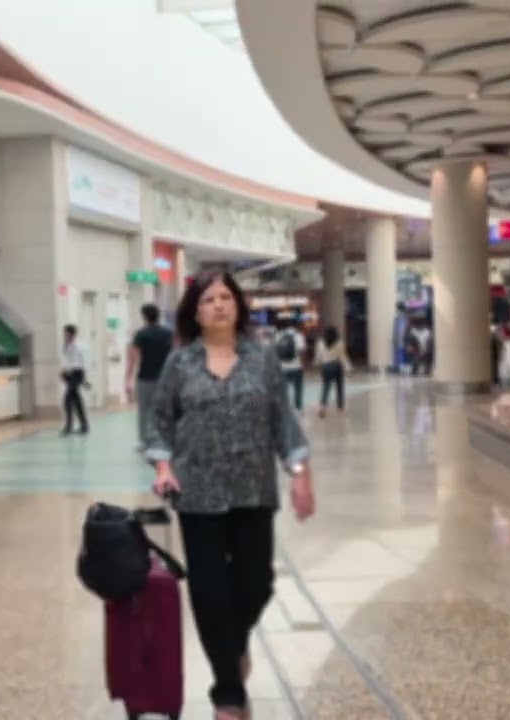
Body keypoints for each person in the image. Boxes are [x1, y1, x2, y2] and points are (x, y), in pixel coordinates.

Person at [145, 270, 315, 720]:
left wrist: (300, 473)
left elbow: (284, 423)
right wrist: (162, 465)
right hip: (196, 492)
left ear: (237, 306)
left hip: (253, 490)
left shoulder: (262, 361)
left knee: (256, 583)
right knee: (208, 590)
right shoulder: (178, 365)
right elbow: (159, 423)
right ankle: (227, 691)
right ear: (195, 313)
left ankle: (232, 645)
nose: (219, 305)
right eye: (209, 300)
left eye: (226, 297)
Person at [125, 303, 174, 448]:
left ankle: (143, 440)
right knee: (165, 410)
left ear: (144, 317)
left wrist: (127, 379)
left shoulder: (141, 334)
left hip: (145, 377)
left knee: (144, 410)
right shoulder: (168, 334)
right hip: (165, 378)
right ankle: (165, 438)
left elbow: (132, 358)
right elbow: (175, 355)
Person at [316, 325, 352, 417]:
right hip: (336, 366)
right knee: (339, 387)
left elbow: (318, 357)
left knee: (326, 387)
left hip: (325, 366)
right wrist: (348, 368)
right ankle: (340, 408)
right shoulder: (339, 343)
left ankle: (322, 407)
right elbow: (342, 357)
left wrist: (317, 363)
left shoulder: (320, 342)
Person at [61, 324, 90, 435]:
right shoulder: (66, 346)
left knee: (67, 399)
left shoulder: (80, 346)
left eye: (67, 334)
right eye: (64, 334)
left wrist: (86, 379)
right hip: (69, 374)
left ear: (72, 334)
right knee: (76, 400)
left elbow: (84, 363)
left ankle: (69, 426)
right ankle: (84, 425)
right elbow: (68, 360)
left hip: (78, 374)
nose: (65, 336)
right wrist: (64, 370)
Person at [273, 319, 307, 411]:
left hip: (282, 367)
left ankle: (284, 408)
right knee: (298, 388)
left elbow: (274, 352)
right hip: (296, 366)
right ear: (295, 326)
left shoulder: (278, 336)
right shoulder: (298, 336)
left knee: (283, 389)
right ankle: (298, 407)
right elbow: (301, 351)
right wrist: (303, 364)